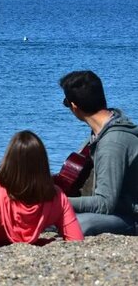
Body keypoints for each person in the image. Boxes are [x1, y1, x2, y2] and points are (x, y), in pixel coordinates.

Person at [59, 70, 138, 236]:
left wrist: (57, 202)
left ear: (74, 106)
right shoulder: (102, 131)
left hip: (130, 217)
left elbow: (104, 204)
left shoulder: (112, 143)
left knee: (78, 223)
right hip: (117, 212)